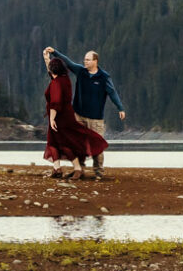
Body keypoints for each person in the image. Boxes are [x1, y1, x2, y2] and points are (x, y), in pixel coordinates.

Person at [39, 48, 103, 178]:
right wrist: (46, 58)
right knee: (56, 143)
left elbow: (55, 103)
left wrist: (52, 119)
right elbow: (51, 72)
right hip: (67, 115)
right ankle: (58, 168)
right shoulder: (64, 79)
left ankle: (76, 168)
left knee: (61, 143)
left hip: (59, 118)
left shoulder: (56, 83)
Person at [69, 49, 127, 179]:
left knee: (97, 145)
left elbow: (112, 93)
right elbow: (68, 62)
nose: (85, 61)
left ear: (95, 61)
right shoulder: (81, 71)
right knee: (78, 144)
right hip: (79, 115)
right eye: (85, 59)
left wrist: (120, 108)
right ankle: (80, 169)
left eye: (88, 59)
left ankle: (99, 172)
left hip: (96, 119)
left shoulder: (104, 77)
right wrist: (54, 52)